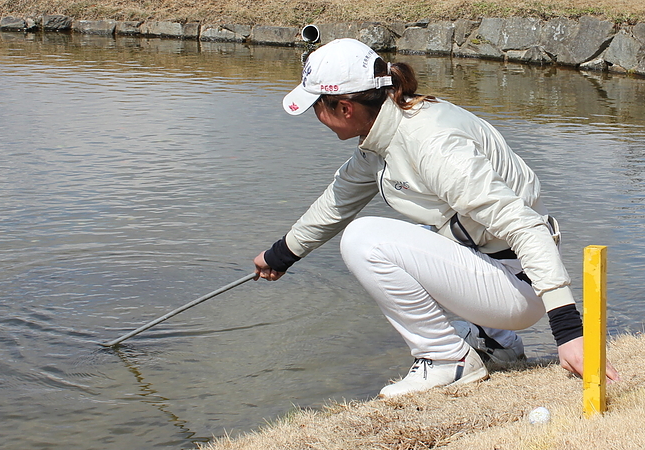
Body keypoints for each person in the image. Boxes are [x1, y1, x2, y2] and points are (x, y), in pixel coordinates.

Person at [253, 38, 619, 398]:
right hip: (500, 269)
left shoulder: (431, 143)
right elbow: (338, 200)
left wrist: (570, 333)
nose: (315, 117)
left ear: (345, 107)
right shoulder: (388, 127)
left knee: (363, 238)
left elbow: (523, 224)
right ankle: (498, 344)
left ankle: (447, 360)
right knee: (417, 230)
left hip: (519, 284)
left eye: (316, 105)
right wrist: (281, 254)